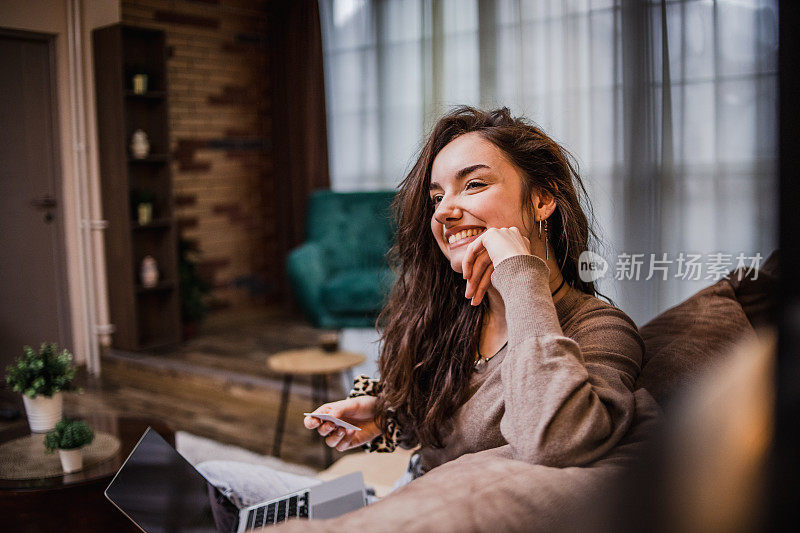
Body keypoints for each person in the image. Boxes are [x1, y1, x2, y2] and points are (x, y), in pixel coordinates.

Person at [200, 106, 644, 505]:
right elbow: (443, 431)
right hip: (401, 497)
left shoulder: (600, 329)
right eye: (437, 197)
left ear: (542, 199)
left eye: (473, 184)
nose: (444, 211)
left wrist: (521, 274)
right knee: (212, 479)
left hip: (422, 518)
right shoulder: (458, 311)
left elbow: (556, 441)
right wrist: (383, 416)